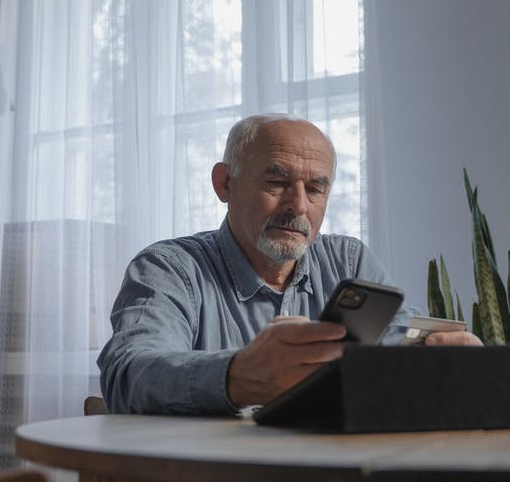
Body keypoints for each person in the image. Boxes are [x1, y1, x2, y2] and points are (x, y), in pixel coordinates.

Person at [98, 114, 480, 414]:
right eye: (277, 183)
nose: (298, 206)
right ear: (225, 184)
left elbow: (400, 339)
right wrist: (239, 376)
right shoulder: (169, 268)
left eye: (315, 188)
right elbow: (129, 374)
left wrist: (438, 357)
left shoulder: (348, 260)